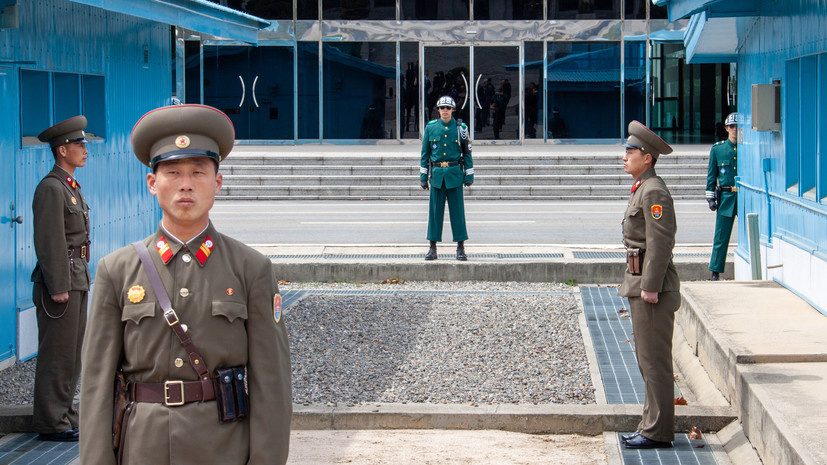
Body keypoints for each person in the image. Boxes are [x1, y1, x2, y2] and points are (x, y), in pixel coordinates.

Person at [79, 104, 292, 465]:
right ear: (152, 183)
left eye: (198, 172)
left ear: (217, 183)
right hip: (143, 448)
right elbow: (96, 383)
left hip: (224, 448)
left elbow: (271, 382)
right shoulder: (117, 270)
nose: (186, 184)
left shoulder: (250, 269)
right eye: (173, 172)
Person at [618, 120, 680, 450]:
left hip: (652, 287)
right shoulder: (643, 187)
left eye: (631, 152)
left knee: (654, 361)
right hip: (640, 281)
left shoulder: (653, 190)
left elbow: (660, 242)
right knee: (647, 360)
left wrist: (651, 285)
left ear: (647, 157)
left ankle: (658, 431)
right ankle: (651, 424)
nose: (624, 157)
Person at [31, 115, 91, 442]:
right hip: (62, 282)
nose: (85, 149)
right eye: (79, 144)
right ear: (63, 149)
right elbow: (49, 241)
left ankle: (65, 415)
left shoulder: (68, 186)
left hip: (76, 276)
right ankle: (51, 422)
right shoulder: (51, 188)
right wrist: (58, 286)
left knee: (72, 353)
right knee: (57, 354)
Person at [420, 96, 473, 261]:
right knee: (435, 214)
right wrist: (423, 176)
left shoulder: (461, 128)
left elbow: (467, 152)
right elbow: (425, 154)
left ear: (453, 110)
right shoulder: (431, 128)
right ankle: (432, 248)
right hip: (437, 176)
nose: (444, 110)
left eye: (448, 108)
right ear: (438, 110)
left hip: (454, 174)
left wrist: (469, 174)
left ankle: (460, 248)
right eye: (442, 108)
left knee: (458, 213)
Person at [706, 112, 738, 280]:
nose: (735, 130)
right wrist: (710, 197)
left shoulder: (748, 148)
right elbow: (712, 175)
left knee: (751, 232)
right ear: (726, 128)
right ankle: (715, 271)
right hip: (726, 197)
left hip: (745, 197)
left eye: (738, 127)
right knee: (721, 235)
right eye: (732, 126)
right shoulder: (718, 149)